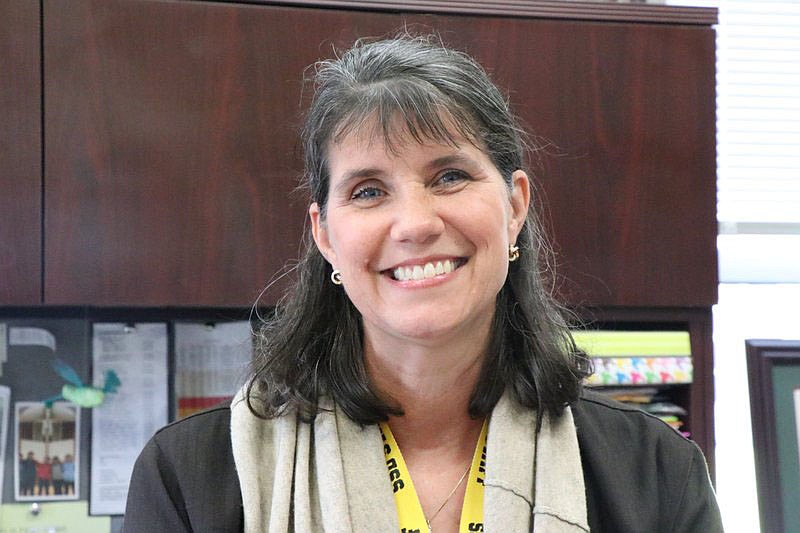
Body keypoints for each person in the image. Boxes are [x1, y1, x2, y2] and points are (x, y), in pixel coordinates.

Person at [123, 34, 723, 532]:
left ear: (515, 206)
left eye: (450, 176)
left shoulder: (656, 473)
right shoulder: (188, 478)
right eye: (368, 191)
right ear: (325, 234)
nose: (414, 224)